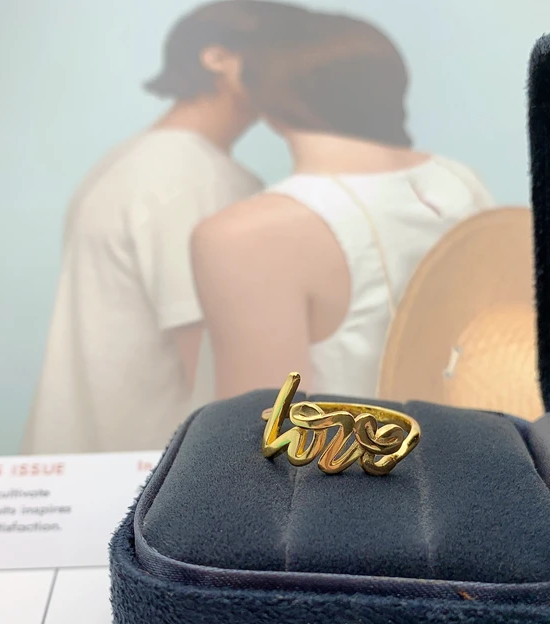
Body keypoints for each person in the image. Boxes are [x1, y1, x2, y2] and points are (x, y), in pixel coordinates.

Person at [22, 1, 309, 454]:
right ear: (217, 58)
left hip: (99, 469)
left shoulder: (137, 160)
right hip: (152, 473)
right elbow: (219, 372)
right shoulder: (191, 176)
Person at [192, 11, 494, 400]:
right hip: (487, 436)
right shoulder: (461, 181)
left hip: (356, 443)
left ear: (265, 101)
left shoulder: (243, 236)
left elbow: (264, 432)